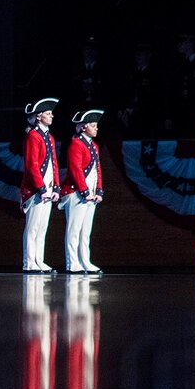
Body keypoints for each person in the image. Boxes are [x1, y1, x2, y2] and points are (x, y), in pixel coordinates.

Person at [59, 109, 104, 273]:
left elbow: (97, 169)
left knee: (86, 231)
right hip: (76, 194)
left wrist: (99, 190)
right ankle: (73, 263)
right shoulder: (76, 144)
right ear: (83, 127)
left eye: (96, 125)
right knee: (74, 229)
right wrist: (85, 191)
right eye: (93, 125)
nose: (96, 128)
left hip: (90, 195)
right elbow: (75, 170)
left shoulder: (94, 146)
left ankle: (85, 261)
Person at [20, 97, 60, 273]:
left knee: (42, 227)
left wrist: (56, 187)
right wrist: (41, 188)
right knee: (33, 227)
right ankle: (29, 262)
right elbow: (31, 164)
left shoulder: (49, 137)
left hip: (48, 189)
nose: (51, 116)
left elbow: (54, 164)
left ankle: (39, 260)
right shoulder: (33, 136)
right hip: (36, 190)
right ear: (38, 116)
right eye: (48, 113)